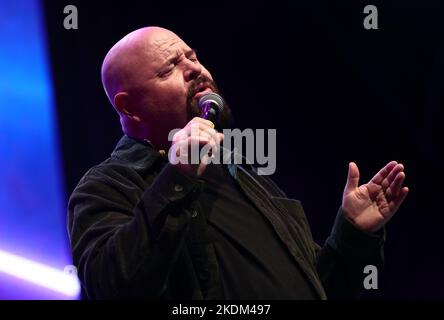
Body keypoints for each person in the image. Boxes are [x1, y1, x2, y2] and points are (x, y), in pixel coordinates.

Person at [67, 26, 409, 299]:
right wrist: (176, 176)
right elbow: (113, 285)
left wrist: (351, 234)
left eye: (193, 56)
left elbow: (320, 288)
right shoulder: (108, 186)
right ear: (129, 107)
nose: (195, 69)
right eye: (172, 66)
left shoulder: (240, 171)